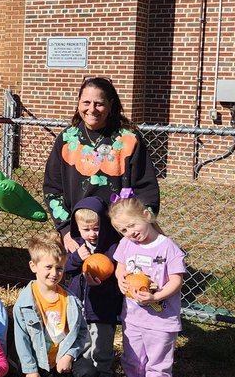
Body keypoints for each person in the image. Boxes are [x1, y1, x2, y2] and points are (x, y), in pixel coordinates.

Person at [43, 76, 159, 251]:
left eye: (99, 103)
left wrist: (137, 231)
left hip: (122, 236)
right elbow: (53, 189)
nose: (92, 109)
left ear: (111, 104)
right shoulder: (68, 139)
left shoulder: (128, 139)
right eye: (86, 102)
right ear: (78, 104)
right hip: (81, 234)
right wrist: (66, 231)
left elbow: (146, 190)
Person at [12, 232, 103, 377]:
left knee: (90, 372)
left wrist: (70, 355)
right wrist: (30, 369)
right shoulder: (24, 303)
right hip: (41, 360)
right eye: (48, 267)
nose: (54, 273)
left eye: (59, 268)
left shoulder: (70, 300)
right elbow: (22, 339)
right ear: (33, 266)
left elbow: (81, 333)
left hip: (64, 355)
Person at [109, 196, 186, 377]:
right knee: (132, 358)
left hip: (161, 321)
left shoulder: (167, 247)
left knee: (157, 362)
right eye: (123, 229)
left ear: (146, 216)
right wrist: (120, 278)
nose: (130, 232)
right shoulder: (127, 244)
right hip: (133, 317)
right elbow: (120, 266)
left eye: (132, 225)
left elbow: (176, 280)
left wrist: (156, 296)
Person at [63, 197, 121, 377]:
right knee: (82, 344)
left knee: (101, 347)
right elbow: (66, 268)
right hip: (78, 307)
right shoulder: (78, 245)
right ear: (77, 228)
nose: (92, 234)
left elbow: (116, 277)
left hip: (103, 310)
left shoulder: (113, 248)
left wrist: (101, 284)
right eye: (86, 229)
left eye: (96, 228)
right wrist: (78, 257)